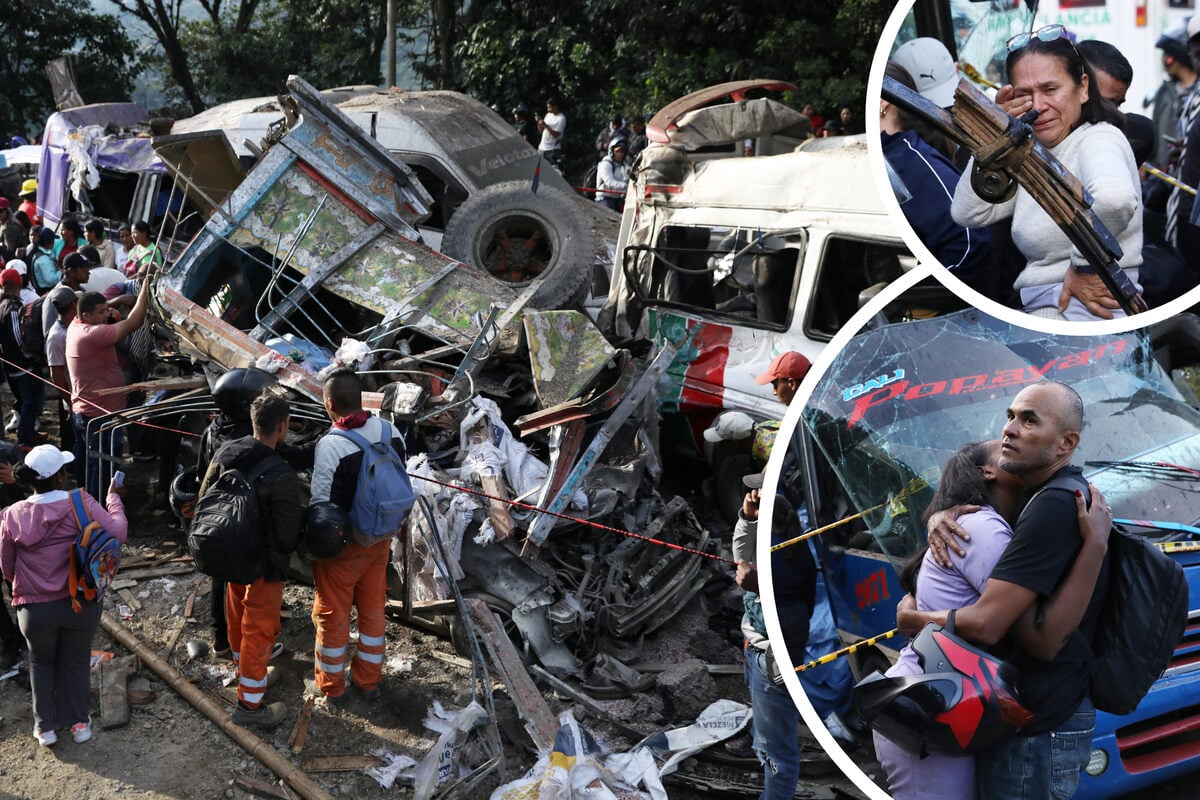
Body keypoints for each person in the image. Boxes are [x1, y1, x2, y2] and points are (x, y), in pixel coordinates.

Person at [899, 381, 1111, 800]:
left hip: (1041, 717)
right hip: (1025, 712)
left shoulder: (1050, 504)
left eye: (1028, 420)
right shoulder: (1028, 508)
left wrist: (913, 619)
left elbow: (1030, 636)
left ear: (1067, 442)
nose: (1010, 429)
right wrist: (939, 514)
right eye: (1010, 416)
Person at [950, 25, 1141, 321]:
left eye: (1050, 89)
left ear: (1083, 88)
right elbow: (967, 213)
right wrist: (994, 138)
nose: (1038, 106)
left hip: (1081, 314)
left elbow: (1115, 199)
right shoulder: (1030, 151)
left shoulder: (1098, 138)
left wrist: (1084, 266)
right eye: (1025, 94)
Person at [0, 444, 128, 746]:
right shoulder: (79, 502)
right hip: (80, 601)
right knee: (76, 661)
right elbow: (118, 533)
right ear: (60, 477)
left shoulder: (11, 515)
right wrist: (114, 499)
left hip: (33, 610)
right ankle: (80, 725)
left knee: (40, 662)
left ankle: (45, 729)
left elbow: (6, 567)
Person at [199, 394, 302, 728]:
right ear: (283, 426)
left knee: (237, 615)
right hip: (263, 564)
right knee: (260, 628)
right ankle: (250, 706)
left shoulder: (227, 451)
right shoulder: (281, 474)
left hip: (230, 554)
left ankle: (247, 673)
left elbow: (205, 497)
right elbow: (287, 536)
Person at [309, 370, 409, 709]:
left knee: (333, 616)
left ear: (329, 404)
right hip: (380, 539)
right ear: (362, 399)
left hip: (346, 547)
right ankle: (369, 681)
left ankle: (332, 688)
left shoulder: (332, 445)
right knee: (372, 611)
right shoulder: (389, 430)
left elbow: (321, 505)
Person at [734, 491, 816, 800]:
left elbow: (783, 622)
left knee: (779, 754)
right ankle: (760, 741)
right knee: (771, 740)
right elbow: (741, 556)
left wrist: (761, 589)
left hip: (770, 660)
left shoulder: (779, 564)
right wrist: (746, 519)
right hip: (757, 651)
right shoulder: (789, 545)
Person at [882, 61, 991, 280]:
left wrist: (928, 291)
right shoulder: (890, 156)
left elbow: (970, 242)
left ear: (883, 102)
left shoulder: (914, 162)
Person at [66, 274, 155, 501]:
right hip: (100, 415)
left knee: (92, 463)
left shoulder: (76, 325)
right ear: (86, 315)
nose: (107, 315)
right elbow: (135, 322)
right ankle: (101, 512)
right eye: (101, 312)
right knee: (104, 466)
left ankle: (90, 505)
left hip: (89, 411)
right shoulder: (92, 334)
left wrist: (109, 314)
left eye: (107, 310)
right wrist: (146, 287)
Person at [0, 268, 45, 451]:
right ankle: (25, 440)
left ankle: (27, 434)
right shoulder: (11, 308)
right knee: (31, 402)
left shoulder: (1, 304)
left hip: (9, 364)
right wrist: (30, 357)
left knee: (25, 401)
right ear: (17, 283)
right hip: (21, 364)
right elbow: (19, 338)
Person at [44, 287, 77, 458]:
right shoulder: (57, 336)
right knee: (75, 442)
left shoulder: (72, 326)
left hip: (80, 396)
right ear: (73, 304)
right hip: (74, 399)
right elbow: (56, 374)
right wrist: (71, 402)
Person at [594, 137, 630, 211]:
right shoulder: (605, 164)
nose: (620, 154)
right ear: (612, 151)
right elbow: (609, 182)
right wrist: (627, 186)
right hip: (604, 199)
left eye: (622, 152)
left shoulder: (624, 166)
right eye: (617, 151)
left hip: (618, 200)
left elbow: (630, 178)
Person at [536, 97, 566, 167]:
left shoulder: (561, 118)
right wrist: (539, 123)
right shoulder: (548, 115)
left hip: (552, 149)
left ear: (555, 106)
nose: (548, 109)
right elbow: (541, 131)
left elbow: (556, 134)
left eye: (550, 107)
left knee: (552, 169)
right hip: (542, 147)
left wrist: (546, 125)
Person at [29, 227, 57, 295]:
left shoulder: (38, 253)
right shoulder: (43, 258)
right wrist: (60, 272)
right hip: (46, 292)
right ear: (50, 241)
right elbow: (51, 280)